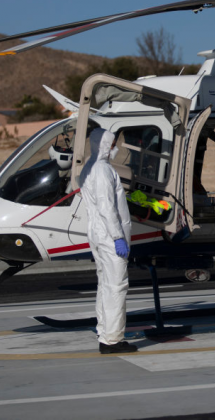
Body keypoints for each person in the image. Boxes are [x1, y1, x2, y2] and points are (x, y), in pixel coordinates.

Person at [80, 128, 137, 354]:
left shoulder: (89, 167)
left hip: (97, 234)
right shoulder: (103, 170)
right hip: (109, 236)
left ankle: (105, 332)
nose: (116, 148)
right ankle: (112, 340)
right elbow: (106, 207)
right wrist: (117, 237)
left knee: (105, 285)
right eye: (113, 143)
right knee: (116, 286)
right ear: (103, 144)